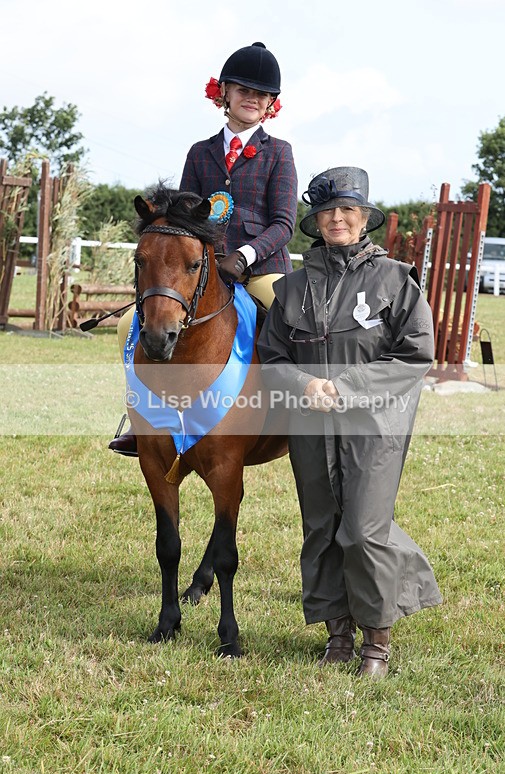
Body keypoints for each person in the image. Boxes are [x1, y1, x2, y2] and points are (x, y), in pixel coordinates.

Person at [257, 166, 442, 677]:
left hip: (374, 426)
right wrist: (304, 385)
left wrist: (347, 387)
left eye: (347, 210)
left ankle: (376, 643)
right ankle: (337, 634)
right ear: (315, 221)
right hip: (310, 426)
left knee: (363, 530)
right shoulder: (291, 288)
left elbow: (415, 354)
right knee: (321, 527)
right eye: (327, 211)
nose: (337, 218)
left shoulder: (395, 280)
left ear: (364, 218)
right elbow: (271, 359)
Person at [110, 42, 298, 456]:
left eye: (262, 94)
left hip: (261, 267)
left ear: (270, 104)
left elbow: (284, 223)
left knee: (290, 319)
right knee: (129, 326)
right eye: (244, 90)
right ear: (224, 92)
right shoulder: (200, 152)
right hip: (202, 269)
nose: (252, 98)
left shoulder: (279, 153)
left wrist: (244, 256)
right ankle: (141, 420)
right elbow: (182, 218)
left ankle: (295, 415)